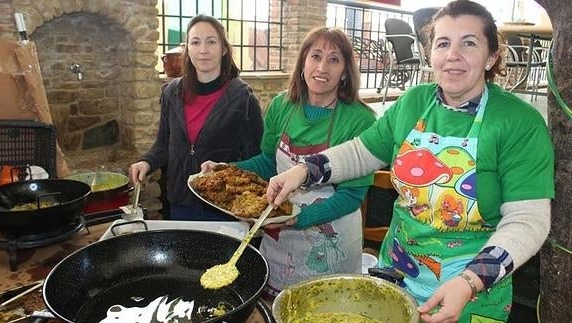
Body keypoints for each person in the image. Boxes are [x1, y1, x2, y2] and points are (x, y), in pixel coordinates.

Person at [266, 1, 554, 322]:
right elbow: (362, 152)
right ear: (430, 53)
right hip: (399, 271)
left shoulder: (519, 122)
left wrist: (470, 280)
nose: (453, 55)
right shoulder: (414, 102)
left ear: (491, 57)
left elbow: (528, 220)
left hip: (472, 287)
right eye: (443, 43)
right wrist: (304, 171)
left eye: (468, 43)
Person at [202, 26, 377, 299]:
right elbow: (270, 163)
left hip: (331, 242)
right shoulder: (281, 106)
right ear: (303, 62)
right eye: (315, 56)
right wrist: (226, 170)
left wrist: (299, 218)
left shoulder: (360, 120)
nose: (322, 67)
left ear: (345, 71)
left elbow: (352, 196)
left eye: (334, 60)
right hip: (281, 238)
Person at [129, 15, 263, 221]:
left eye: (211, 41)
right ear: (187, 49)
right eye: (195, 42)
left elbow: (255, 158)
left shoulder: (243, 98)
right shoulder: (171, 93)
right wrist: (146, 163)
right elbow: (163, 144)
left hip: (225, 206)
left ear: (224, 48)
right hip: (180, 202)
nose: (203, 50)